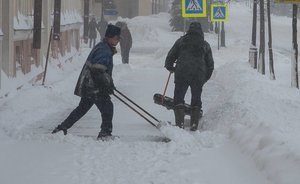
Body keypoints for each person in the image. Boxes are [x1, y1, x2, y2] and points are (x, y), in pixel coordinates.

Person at [52, 24, 121, 140]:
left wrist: (110, 83)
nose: (118, 41)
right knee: (108, 107)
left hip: (90, 85)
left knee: (82, 109)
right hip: (94, 87)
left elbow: (102, 71)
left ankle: (62, 128)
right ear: (109, 37)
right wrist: (106, 85)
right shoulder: (104, 50)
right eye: (116, 38)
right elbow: (98, 71)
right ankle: (105, 133)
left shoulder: (104, 47)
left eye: (118, 39)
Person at [164, 22, 214, 131]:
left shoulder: (181, 41)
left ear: (189, 30)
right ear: (200, 31)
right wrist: (204, 78)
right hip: (198, 75)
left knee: (179, 98)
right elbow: (210, 65)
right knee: (196, 99)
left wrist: (170, 67)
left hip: (182, 73)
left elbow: (170, 56)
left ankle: (179, 125)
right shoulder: (205, 44)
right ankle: (194, 125)